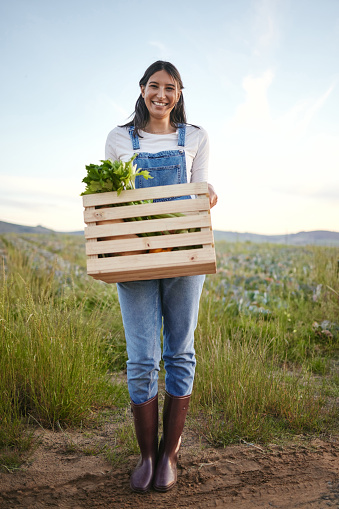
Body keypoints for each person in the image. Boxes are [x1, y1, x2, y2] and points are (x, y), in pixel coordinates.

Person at [105, 60, 217, 493]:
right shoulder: (119, 138)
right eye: (154, 86)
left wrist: (207, 195)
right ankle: (146, 455)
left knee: (180, 352)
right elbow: (114, 196)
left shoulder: (197, 137)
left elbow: (199, 189)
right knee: (140, 357)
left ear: (180, 93)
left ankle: (169, 453)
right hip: (134, 254)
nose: (162, 95)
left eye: (170, 88)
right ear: (142, 88)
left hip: (185, 251)